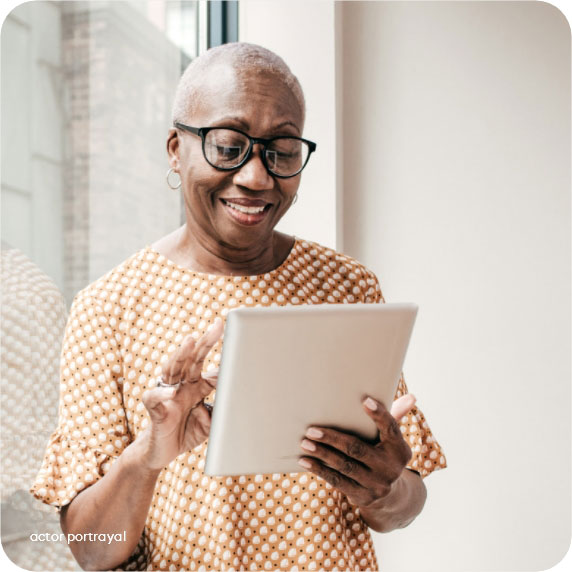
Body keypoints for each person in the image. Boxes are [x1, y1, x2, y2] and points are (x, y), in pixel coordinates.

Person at [31, 42, 446, 571]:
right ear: (175, 150)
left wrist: (382, 490)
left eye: (283, 150)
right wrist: (149, 456)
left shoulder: (347, 286)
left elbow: (404, 505)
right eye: (228, 146)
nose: (256, 177)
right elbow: (90, 553)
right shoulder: (107, 309)